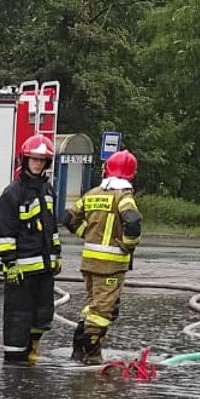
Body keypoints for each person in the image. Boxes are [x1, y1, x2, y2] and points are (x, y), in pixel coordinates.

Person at [63, 150, 143, 365]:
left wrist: (85, 234)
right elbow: (133, 221)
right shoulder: (124, 197)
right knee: (102, 311)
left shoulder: (92, 193)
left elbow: (68, 219)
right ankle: (91, 355)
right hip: (111, 265)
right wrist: (128, 244)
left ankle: (78, 351)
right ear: (131, 175)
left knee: (92, 306)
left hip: (89, 262)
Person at [0, 134, 62, 364]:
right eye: (34, 159)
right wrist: (10, 263)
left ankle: (32, 350)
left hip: (44, 267)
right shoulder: (12, 193)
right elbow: (5, 233)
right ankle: (14, 361)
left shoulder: (48, 191)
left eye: (42, 160)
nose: (38, 163)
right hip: (21, 269)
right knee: (18, 316)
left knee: (43, 313)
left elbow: (51, 227)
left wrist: (57, 255)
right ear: (25, 160)